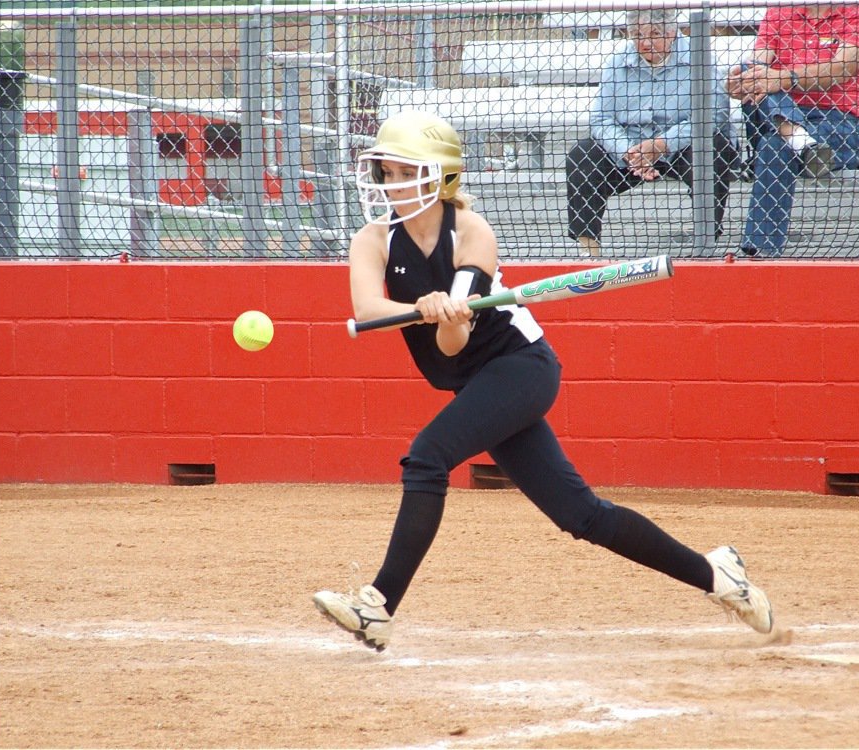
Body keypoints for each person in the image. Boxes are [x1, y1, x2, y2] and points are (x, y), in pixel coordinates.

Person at [311, 110, 774, 652]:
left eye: (403, 172)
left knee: (427, 455)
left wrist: (452, 314)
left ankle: (379, 607)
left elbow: (452, 346)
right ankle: (719, 577)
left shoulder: (472, 233)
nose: (391, 185)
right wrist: (423, 306)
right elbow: (368, 309)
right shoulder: (373, 240)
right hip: (477, 384)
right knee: (581, 515)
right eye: (386, 173)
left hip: (521, 368)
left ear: (440, 176)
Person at [566, 9, 739, 258]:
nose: (645, 43)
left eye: (654, 34)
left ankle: (706, 243)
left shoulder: (699, 57)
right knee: (582, 155)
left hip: (683, 146)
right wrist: (628, 150)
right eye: (637, 35)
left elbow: (714, 117)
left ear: (672, 32)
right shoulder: (617, 63)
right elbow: (601, 120)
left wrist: (661, 144)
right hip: (632, 151)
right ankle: (588, 252)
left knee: (714, 148)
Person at [726, 4, 859, 258]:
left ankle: (760, 254)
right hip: (774, 114)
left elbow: (841, 69)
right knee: (750, 72)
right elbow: (758, 64)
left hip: (836, 121)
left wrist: (780, 79)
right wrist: (739, 82)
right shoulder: (780, 10)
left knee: (774, 145)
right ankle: (797, 136)